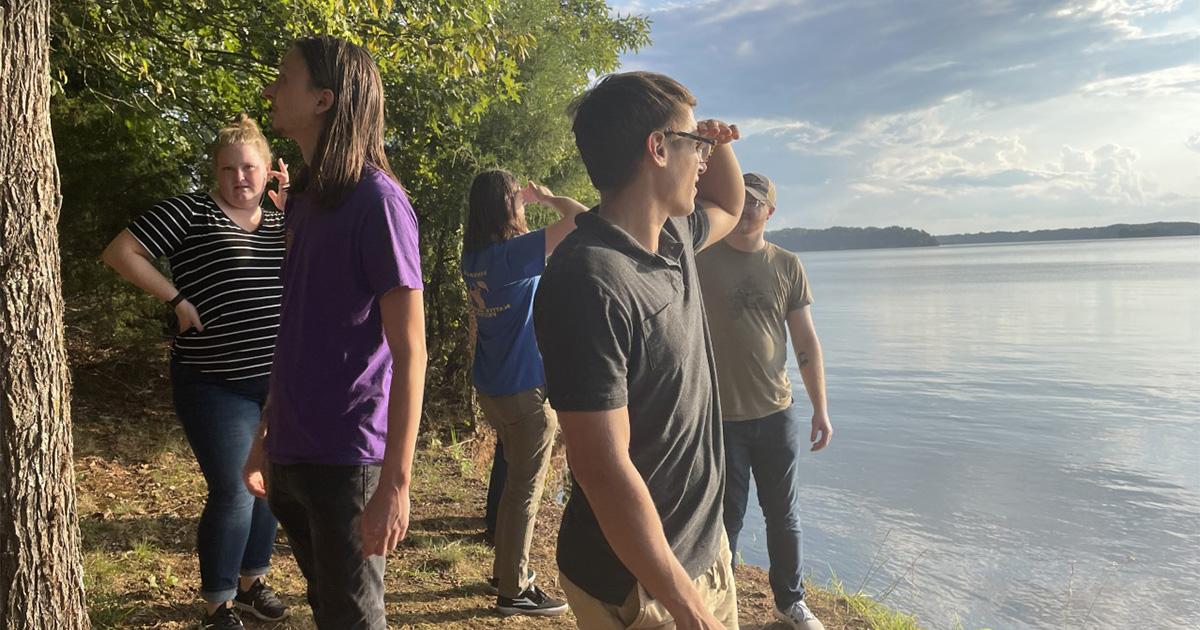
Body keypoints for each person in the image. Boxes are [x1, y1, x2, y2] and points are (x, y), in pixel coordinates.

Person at [533, 71, 745, 629]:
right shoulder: (589, 280)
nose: (701, 159)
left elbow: (729, 200)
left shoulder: (673, 239)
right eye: (691, 145)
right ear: (656, 149)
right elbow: (602, 468)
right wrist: (684, 604)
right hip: (641, 589)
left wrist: (712, 143)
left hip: (699, 554)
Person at [241, 35, 426, 630]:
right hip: (295, 447)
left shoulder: (379, 201)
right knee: (331, 613)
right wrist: (267, 429)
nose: (270, 89)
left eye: (283, 79)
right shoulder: (306, 202)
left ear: (324, 99)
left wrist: (396, 483)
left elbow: (411, 348)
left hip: (349, 456)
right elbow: (297, 323)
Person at [101, 113, 290, 630]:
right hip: (213, 382)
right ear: (216, 172)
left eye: (249, 167)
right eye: (228, 169)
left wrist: (296, 209)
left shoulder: (281, 220)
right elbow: (121, 252)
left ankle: (253, 584)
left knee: (269, 481)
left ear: (269, 169)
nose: (240, 178)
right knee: (233, 487)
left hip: (274, 385)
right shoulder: (192, 211)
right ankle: (219, 605)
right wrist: (175, 297)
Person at [696, 172, 832, 630]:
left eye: (757, 203)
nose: (747, 209)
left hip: (776, 413)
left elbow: (806, 343)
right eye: (743, 200)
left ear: (770, 212)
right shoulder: (701, 257)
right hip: (721, 417)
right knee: (726, 517)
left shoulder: (787, 264)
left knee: (783, 515)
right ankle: (722, 601)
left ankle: (789, 602)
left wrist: (821, 409)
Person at [462, 170, 586, 616]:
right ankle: (514, 589)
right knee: (524, 491)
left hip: (493, 387)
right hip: (523, 392)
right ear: (506, 206)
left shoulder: (474, 257)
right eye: (515, 198)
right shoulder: (512, 255)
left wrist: (521, 204)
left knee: (515, 484)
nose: (522, 203)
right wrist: (551, 199)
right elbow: (583, 219)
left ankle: (504, 572)